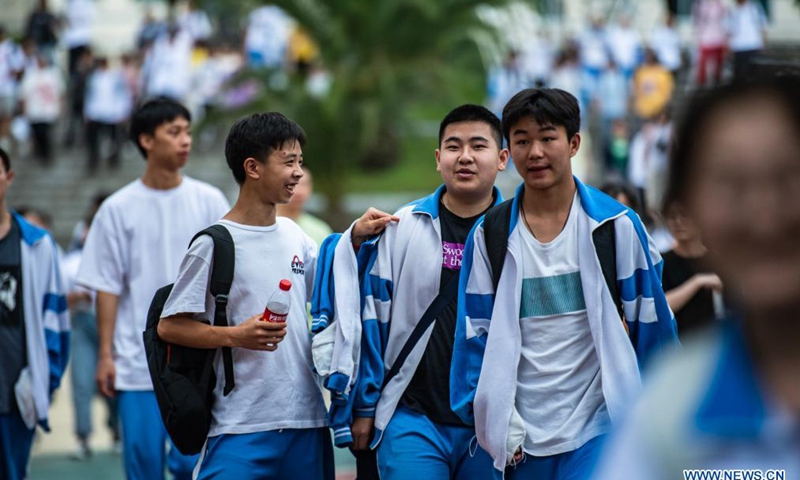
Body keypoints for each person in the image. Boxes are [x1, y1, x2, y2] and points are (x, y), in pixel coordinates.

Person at [451, 88, 678, 479]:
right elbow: (473, 336)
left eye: (547, 137)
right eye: (522, 140)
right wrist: (487, 418)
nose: (535, 152)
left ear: (573, 143)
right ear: (509, 151)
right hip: (522, 441)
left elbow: (653, 328)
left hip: (601, 428)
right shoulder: (489, 236)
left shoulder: (616, 227)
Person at [593, 74, 800, 480]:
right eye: (731, 184)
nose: (764, 215)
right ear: (684, 209)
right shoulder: (666, 413)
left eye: (787, 177)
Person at [157, 112, 362, 480]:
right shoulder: (214, 243)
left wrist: (356, 237)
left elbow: (335, 289)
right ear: (252, 167)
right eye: (288, 162)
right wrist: (236, 335)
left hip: (308, 420)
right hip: (238, 426)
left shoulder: (295, 234)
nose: (298, 172)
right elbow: (170, 327)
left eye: (300, 162)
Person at [341, 104, 509, 480]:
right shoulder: (405, 226)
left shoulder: (518, 234)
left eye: (478, 146)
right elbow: (373, 320)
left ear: (501, 159)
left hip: (491, 423)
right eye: (453, 146)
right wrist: (365, 407)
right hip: (412, 419)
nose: (464, 157)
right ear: (438, 159)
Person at [76, 98, 230, 480]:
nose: (186, 141)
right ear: (146, 140)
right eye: (174, 132)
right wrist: (105, 354)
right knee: (143, 465)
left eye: (188, 132)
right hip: (137, 360)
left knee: (190, 465)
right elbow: (107, 286)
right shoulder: (117, 208)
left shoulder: (209, 199)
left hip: (196, 359)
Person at [0, 147, 70, 480]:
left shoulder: (37, 245)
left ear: (9, 177)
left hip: (15, 392)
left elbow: (56, 322)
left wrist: (46, 380)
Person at [61, 193, 120, 460]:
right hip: (84, 323)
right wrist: (76, 298)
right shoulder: (72, 261)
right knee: (82, 381)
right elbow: (61, 295)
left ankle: (117, 431)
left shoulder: (117, 253)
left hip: (114, 323)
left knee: (114, 380)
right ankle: (83, 436)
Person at [661, 199, 722, 338]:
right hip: (678, 346)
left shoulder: (718, 260)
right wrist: (697, 282)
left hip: (715, 342)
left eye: (684, 214)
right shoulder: (660, 261)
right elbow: (660, 306)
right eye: (672, 216)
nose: (678, 221)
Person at [19, 54, 64, 165]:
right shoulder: (30, 75)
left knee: (45, 133)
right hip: (35, 111)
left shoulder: (54, 74)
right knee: (38, 133)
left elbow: (61, 92)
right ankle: (40, 153)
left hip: (49, 111)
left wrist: (61, 106)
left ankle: (46, 155)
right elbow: (24, 94)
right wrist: (24, 109)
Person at [276, 166, 332, 246]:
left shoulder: (321, 231)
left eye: (304, 184)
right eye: (292, 184)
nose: (299, 192)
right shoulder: (262, 226)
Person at [727, 0, 768, 79]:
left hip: (753, 45)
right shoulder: (732, 10)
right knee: (739, 74)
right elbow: (729, 30)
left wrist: (763, 42)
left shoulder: (755, 7)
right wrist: (729, 47)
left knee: (753, 74)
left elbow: (763, 26)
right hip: (738, 47)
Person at [693, 0, 728, 86]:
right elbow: (698, 22)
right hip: (706, 39)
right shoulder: (701, 5)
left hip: (718, 39)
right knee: (704, 66)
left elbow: (725, 21)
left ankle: (716, 82)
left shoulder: (721, 5)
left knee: (718, 67)